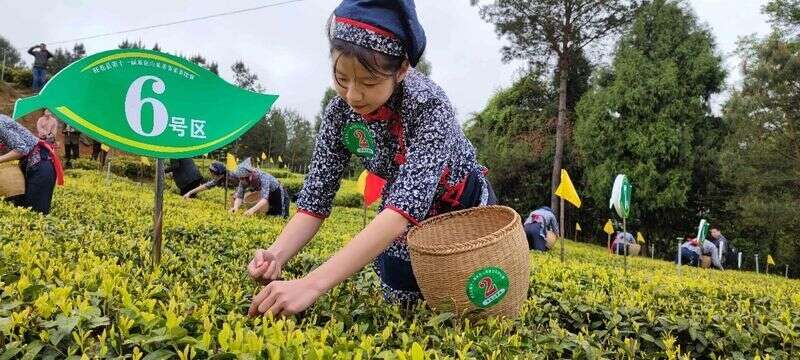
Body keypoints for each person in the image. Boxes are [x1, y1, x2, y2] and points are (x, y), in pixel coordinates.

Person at [246, 0, 496, 317]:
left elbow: (404, 207)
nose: (352, 95)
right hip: (397, 208)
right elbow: (315, 200)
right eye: (341, 78)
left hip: (462, 205)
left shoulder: (428, 105)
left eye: (368, 82)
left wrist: (310, 284)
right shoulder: (339, 114)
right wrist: (276, 255)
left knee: (470, 307)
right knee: (403, 306)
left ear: (402, 69)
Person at [0, 114, 63, 214]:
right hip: (30, 165)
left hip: (40, 165)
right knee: (23, 209)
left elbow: (21, 149)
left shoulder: (0, 124)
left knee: (36, 214)